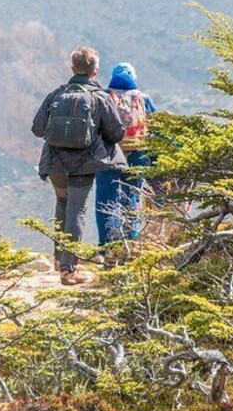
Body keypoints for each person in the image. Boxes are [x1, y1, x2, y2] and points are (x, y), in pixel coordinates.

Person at [32, 46, 126, 285]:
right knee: (77, 211)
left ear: (73, 68)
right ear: (95, 71)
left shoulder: (56, 95)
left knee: (62, 204)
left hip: (55, 163)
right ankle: (68, 269)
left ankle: (58, 259)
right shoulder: (100, 98)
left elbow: (37, 129)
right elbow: (116, 133)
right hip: (84, 165)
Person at [95, 63, 157, 245]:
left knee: (106, 199)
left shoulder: (105, 96)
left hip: (110, 154)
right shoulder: (143, 99)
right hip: (138, 154)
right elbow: (156, 128)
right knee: (133, 197)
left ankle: (107, 245)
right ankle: (131, 241)